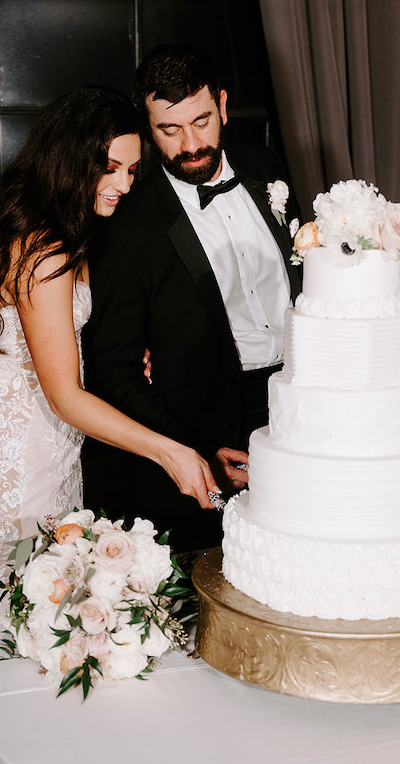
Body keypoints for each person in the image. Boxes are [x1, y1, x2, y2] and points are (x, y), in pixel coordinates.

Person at [0, 85, 220, 764]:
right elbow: (62, 395)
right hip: (12, 471)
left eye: (130, 169)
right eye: (110, 168)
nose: (122, 184)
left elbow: (48, 357)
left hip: (44, 459)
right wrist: (171, 453)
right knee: (29, 636)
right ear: (71, 161)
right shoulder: (43, 249)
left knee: (39, 629)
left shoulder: (52, 231)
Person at [82, 44, 302, 552]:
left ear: (222, 106)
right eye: (169, 129)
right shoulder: (128, 222)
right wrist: (197, 448)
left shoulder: (268, 170)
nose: (191, 144)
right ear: (147, 125)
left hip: (301, 401)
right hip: (212, 425)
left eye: (202, 121)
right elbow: (113, 370)